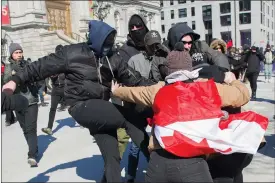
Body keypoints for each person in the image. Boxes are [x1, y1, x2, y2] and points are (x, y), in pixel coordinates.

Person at [2, 20, 154, 182]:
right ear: (96, 39)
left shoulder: (112, 58)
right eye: (105, 42)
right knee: (129, 119)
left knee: (113, 157)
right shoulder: (72, 53)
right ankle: (156, 165)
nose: (108, 46)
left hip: (101, 111)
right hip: (81, 105)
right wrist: (15, 80)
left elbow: (134, 79)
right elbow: (41, 67)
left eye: (111, 42)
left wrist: (161, 89)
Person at [111, 51, 266, 183]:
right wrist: (233, 81)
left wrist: (116, 91)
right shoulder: (207, 89)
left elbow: (133, 93)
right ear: (190, 68)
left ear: (167, 70)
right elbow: (243, 95)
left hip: (158, 164)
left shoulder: (158, 90)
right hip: (193, 166)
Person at [117, 14, 150, 161]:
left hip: (154, 98)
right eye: (132, 27)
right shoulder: (125, 50)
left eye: (139, 26)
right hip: (133, 102)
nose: (136, 29)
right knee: (132, 141)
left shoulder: (152, 44)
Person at [153, 23, 230, 82]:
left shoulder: (198, 46)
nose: (187, 46)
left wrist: (224, 73)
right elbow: (157, 80)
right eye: (183, 42)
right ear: (174, 41)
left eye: (190, 42)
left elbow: (217, 56)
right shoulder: (162, 54)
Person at [3, 43, 40, 167]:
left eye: (20, 52)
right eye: (16, 52)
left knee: (31, 128)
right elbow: (5, 82)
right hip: (17, 102)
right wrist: (13, 75)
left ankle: (32, 155)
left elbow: (38, 78)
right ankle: (34, 147)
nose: (19, 55)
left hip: (31, 100)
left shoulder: (28, 64)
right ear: (12, 54)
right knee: (25, 129)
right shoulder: (8, 67)